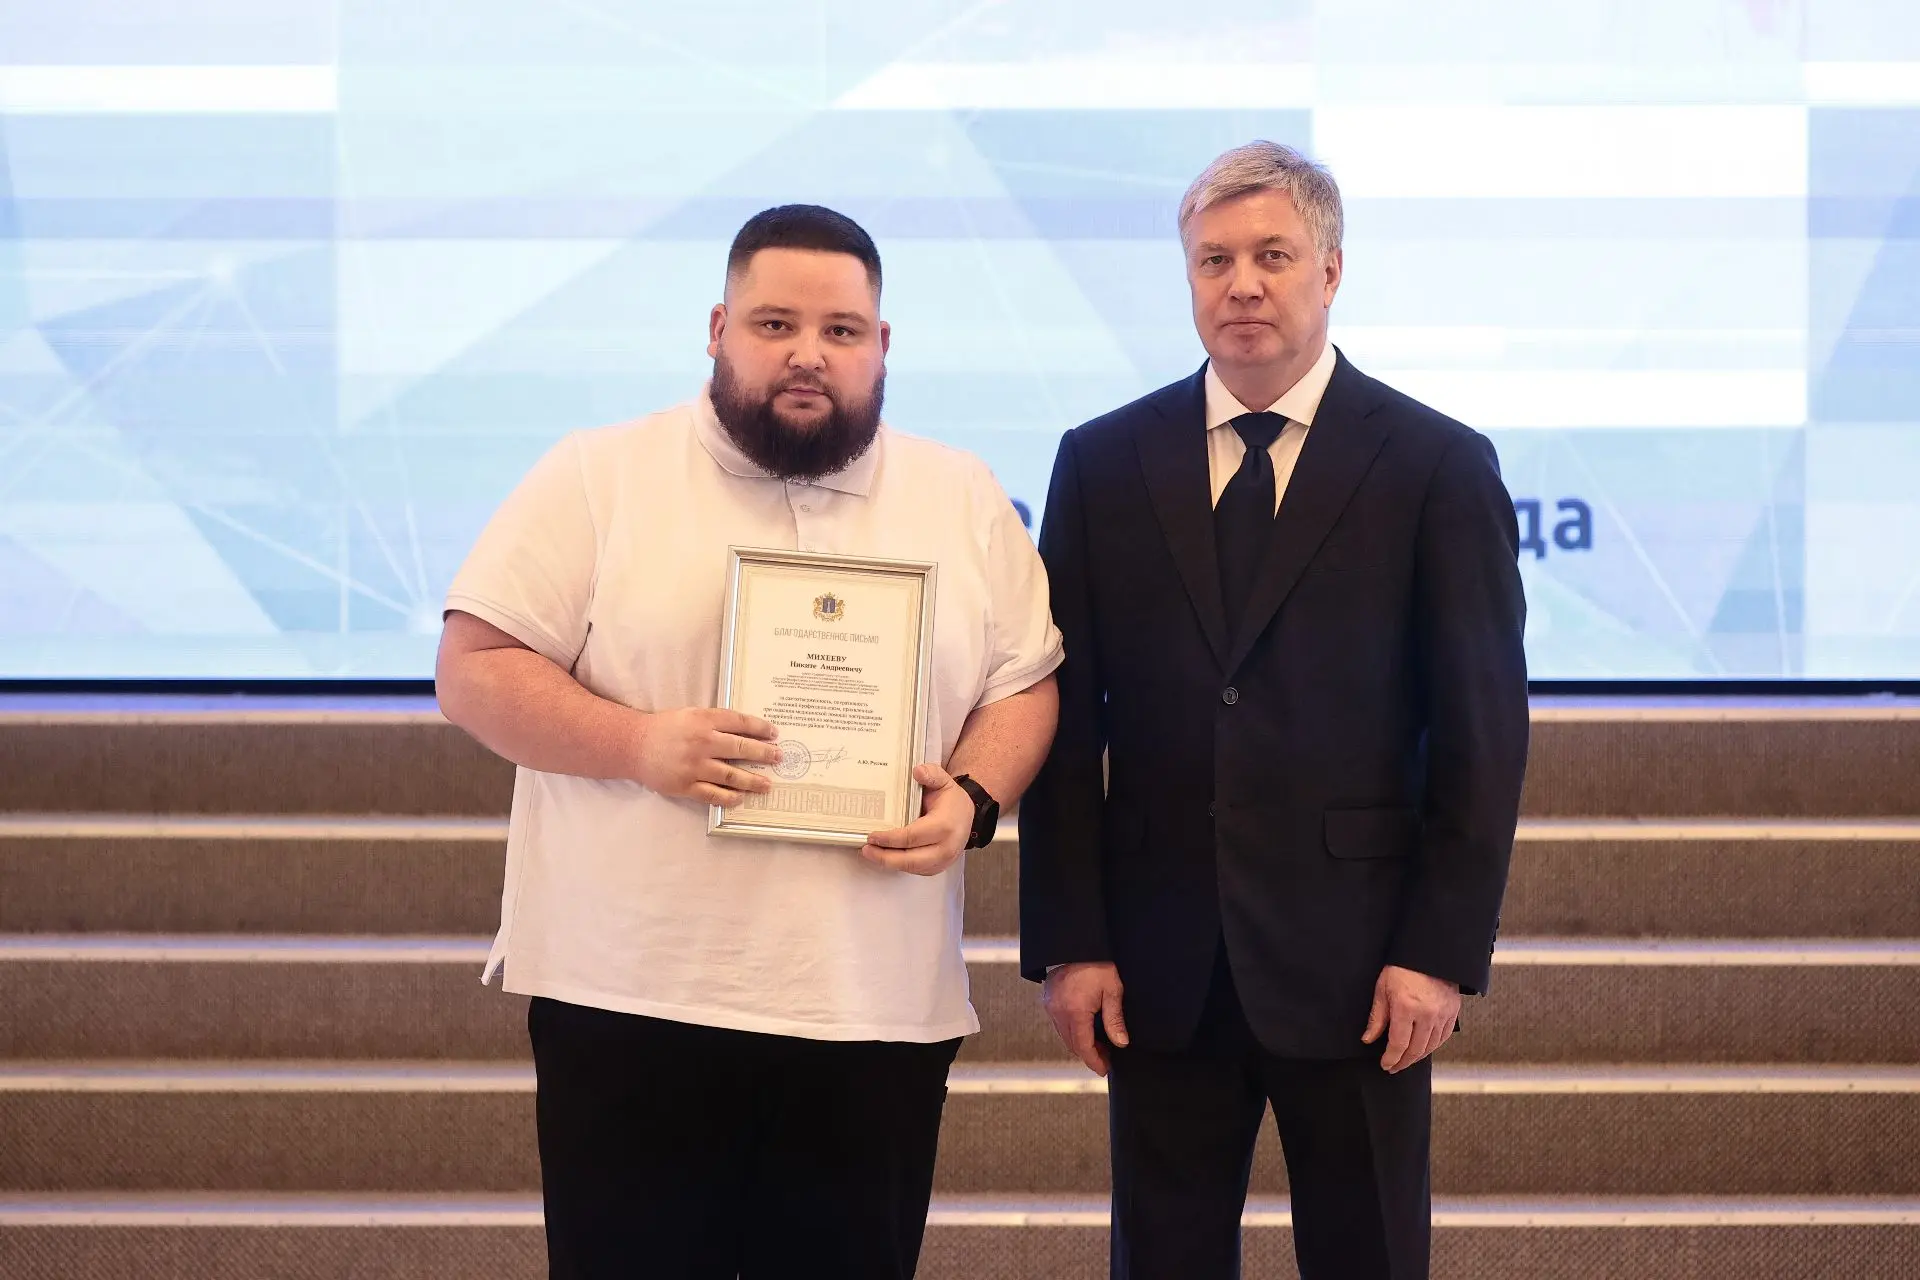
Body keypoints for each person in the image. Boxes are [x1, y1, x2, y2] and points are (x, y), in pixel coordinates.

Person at [436, 204, 1062, 1280]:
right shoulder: (600, 473)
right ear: (719, 329)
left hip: (872, 1007)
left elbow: (1026, 683)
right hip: (630, 996)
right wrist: (637, 743)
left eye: (840, 329)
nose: (808, 353)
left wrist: (972, 796)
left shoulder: (959, 493)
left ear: (882, 344)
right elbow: (474, 667)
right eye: (775, 324)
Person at [1019, 141, 1529, 1279]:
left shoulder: (1437, 465)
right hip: (1159, 962)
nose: (1241, 284)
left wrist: (1438, 952)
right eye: (1214, 260)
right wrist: (1071, 940)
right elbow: (1063, 718)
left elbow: (1482, 733)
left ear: (1331, 269)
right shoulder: (1102, 462)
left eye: (1273, 256)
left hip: (1361, 966)